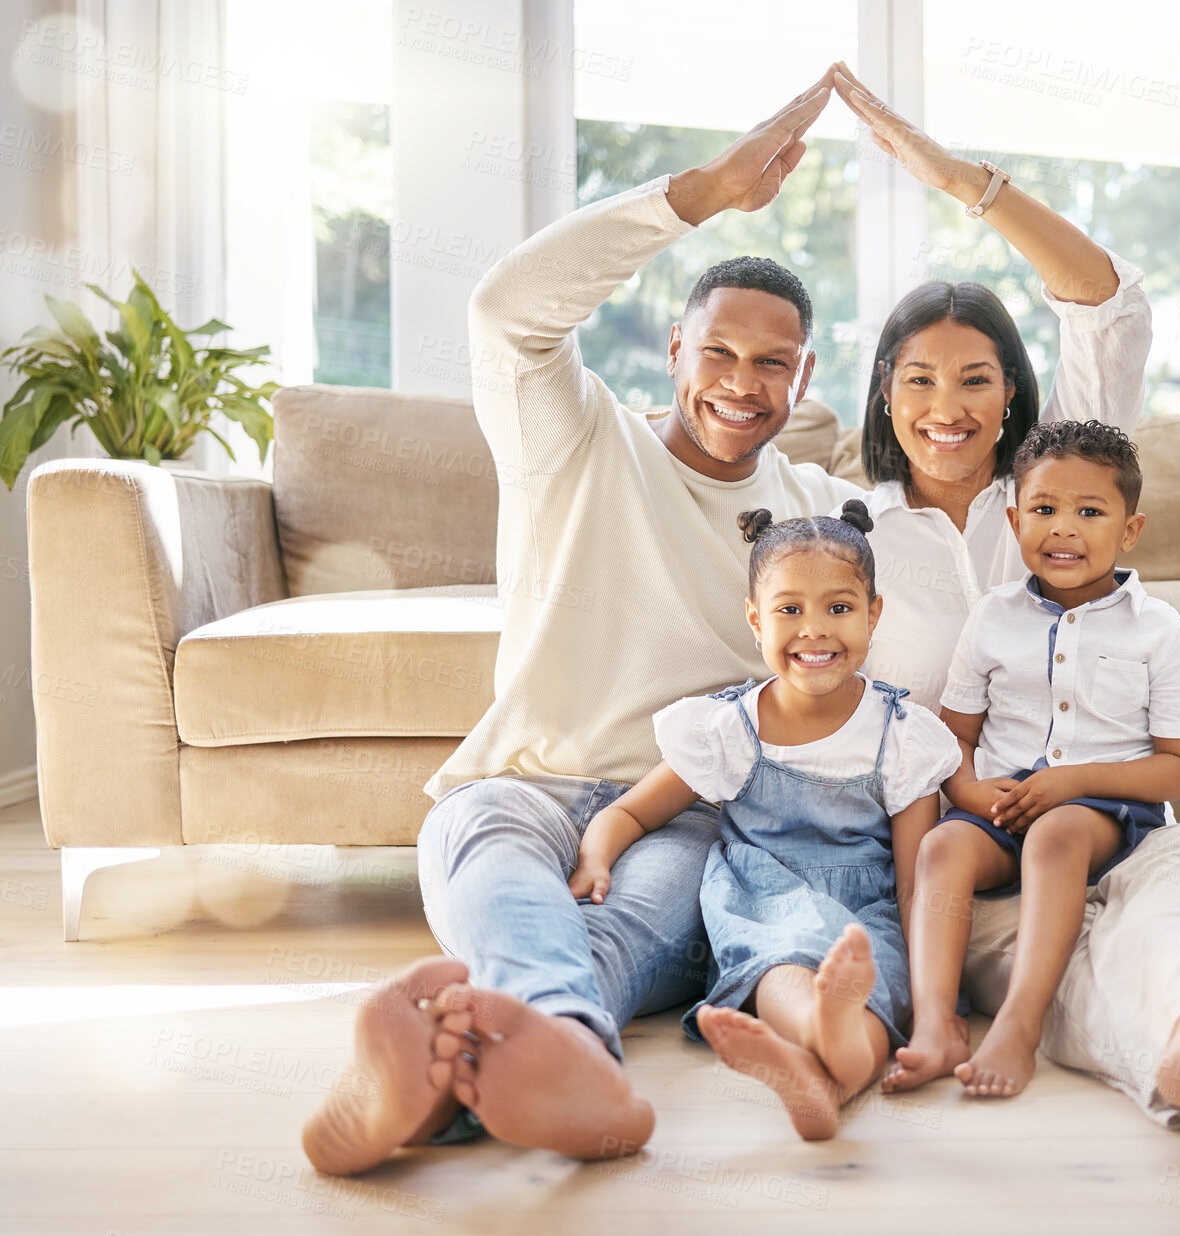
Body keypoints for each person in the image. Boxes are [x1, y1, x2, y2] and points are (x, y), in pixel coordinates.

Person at [301, 70, 867, 1175]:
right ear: (673, 352)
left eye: (771, 364)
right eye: (719, 352)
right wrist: (694, 195)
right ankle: (556, 1058)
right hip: (521, 787)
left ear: (803, 378)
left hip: (691, 813)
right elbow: (505, 311)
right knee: (507, 883)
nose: (741, 384)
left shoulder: (814, 514)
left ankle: (448, 1083)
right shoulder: (574, 439)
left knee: (629, 930)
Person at [830, 64, 1180, 1156]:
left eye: (974, 379)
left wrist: (949, 176)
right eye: (917, 381)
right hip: (971, 843)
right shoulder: (850, 529)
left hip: (1119, 822)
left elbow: (1107, 300)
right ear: (884, 392)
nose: (946, 408)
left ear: (1015, 393)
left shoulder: (1054, 483)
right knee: (1059, 974)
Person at [565, 500, 960, 1139]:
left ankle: (822, 1079)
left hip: (870, 911)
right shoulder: (731, 730)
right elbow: (633, 811)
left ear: (873, 614)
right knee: (779, 964)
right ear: (755, 619)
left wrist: (928, 986)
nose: (815, 630)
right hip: (763, 895)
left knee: (879, 1000)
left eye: (839, 608)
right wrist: (595, 858)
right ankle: (815, 1024)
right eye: (788, 610)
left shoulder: (904, 733)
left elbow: (917, 881)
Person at [900, 419, 1180, 1097]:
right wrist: (975, 796)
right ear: (1014, 521)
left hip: (1102, 810)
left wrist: (1074, 783)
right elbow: (955, 737)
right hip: (1002, 808)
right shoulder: (992, 617)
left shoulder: (1158, 629)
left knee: (1058, 834)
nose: (1063, 528)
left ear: (1131, 530)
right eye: (1043, 510)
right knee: (943, 849)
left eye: (1089, 512)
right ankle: (934, 1023)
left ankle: (1019, 1024)